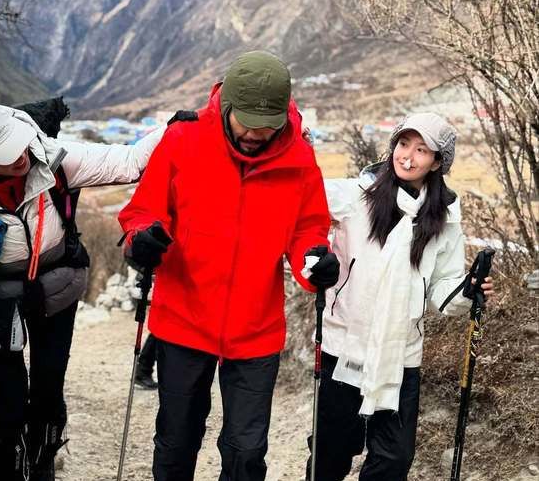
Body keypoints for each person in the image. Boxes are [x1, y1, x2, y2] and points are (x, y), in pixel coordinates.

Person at [0, 96, 164, 481]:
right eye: (4, 154)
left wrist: (174, 127)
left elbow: (129, 161)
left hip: (56, 288)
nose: (19, 157)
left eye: (16, 143)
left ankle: (42, 466)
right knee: (12, 401)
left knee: (48, 392)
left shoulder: (52, 158)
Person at [118, 50, 339, 481]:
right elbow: (142, 212)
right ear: (226, 107)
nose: (257, 134)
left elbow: (308, 229)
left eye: (267, 126)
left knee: (247, 450)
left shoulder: (299, 159)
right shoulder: (183, 141)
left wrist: (315, 260)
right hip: (183, 319)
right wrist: (141, 239)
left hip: (256, 328)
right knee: (176, 440)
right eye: (247, 123)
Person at [308, 112, 495, 481]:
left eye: (422, 149)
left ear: (438, 162)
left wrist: (467, 291)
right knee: (330, 455)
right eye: (404, 144)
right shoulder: (355, 196)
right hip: (344, 345)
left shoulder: (445, 219)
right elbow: (300, 194)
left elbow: (442, 289)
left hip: (400, 354)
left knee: (394, 460)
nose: (408, 155)